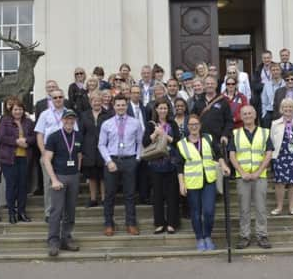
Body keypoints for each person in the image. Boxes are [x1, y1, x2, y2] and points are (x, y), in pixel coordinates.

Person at [177, 114, 230, 251]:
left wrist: (223, 165)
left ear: (200, 125)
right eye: (191, 125)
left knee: (209, 211)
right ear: (187, 127)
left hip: (209, 179)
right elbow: (179, 166)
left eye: (196, 124)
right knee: (195, 212)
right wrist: (181, 184)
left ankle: (207, 235)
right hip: (192, 181)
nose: (194, 127)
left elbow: (218, 155)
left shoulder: (208, 138)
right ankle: (199, 238)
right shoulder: (181, 144)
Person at [99, 94, 144, 236]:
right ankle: (108, 224)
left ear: (127, 105)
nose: (121, 107)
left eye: (123, 105)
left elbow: (139, 142)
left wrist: (136, 159)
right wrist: (108, 161)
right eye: (118, 105)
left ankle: (131, 223)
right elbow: (101, 144)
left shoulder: (135, 123)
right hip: (112, 161)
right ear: (114, 106)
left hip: (129, 161)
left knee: (130, 194)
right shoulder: (107, 124)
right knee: (110, 194)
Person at [229, 105, 274, 249]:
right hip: (242, 177)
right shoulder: (235, 134)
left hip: (259, 176)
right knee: (244, 208)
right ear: (241, 117)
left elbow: (268, 154)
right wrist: (242, 172)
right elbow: (232, 155)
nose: (247, 116)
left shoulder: (264, 132)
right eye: (244, 114)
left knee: (261, 208)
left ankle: (262, 235)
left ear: (255, 115)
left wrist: (258, 172)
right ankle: (244, 236)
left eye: (250, 113)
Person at [43, 109, 83, 257]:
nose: (69, 122)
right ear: (62, 120)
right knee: (56, 211)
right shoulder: (54, 137)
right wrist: (53, 179)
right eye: (67, 119)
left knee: (70, 211)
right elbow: (47, 159)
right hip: (58, 177)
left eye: (72, 119)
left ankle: (66, 238)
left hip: (73, 177)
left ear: (75, 121)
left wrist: (77, 173)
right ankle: (53, 240)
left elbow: (79, 155)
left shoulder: (78, 136)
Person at [35, 89, 78, 222]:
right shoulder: (45, 114)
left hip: (66, 155)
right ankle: (49, 212)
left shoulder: (70, 113)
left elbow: (76, 134)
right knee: (49, 184)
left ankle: (64, 213)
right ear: (51, 99)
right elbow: (40, 135)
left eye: (60, 97)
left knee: (65, 185)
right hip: (49, 153)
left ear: (64, 98)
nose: (58, 99)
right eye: (55, 98)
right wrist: (44, 155)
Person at [142, 98, 180, 234]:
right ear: (156, 109)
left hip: (171, 164)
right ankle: (159, 223)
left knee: (172, 195)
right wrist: (155, 133)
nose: (163, 110)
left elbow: (178, 142)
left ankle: (172, 223)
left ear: (168, 110)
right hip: (155, 165)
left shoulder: (172, 123)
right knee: (157, 195)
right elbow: (145, 142)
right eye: (160, 108)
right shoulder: (150, 124)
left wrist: (165, 135)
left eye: (165, 108)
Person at [0, 99, 36, 224]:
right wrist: (16, 141)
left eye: (20, 109)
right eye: (15, 109)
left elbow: (34, 137)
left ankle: (21, 212)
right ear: (11, 110)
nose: (18, 111)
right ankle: (11, 213)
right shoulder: (5, 120)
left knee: (22, 186)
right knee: (11, 185)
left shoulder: (29, 122)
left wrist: (27, 141)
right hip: (9, 158)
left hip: (24, 158)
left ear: (23, 110)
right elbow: (1, 137)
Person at [270, 99, 293, 216]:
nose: (288, 109)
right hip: (280, 154)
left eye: (290, 107)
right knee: (279, 182)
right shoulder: (275, 123)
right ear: (281, 109)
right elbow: (272, 139)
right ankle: (279, 207)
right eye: (285, 107)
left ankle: (291, 207)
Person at [80, 91, 112, 207]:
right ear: (90, 102)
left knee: (103, 176)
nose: (97, 103)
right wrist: (81, 150)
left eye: (99, 100)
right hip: (89, 149)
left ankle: (104, 199)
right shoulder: (84, 115)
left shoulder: (108, 114)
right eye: (94, 101)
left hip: (104, 149)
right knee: (92, 176)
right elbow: (81, 133)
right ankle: (93, 199)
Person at [192, 75, 234, 147]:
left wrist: (225, 135)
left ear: (216, 85)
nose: (210, 86)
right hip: (201, 139)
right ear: (204, 86)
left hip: (218, 140)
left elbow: (229, 121)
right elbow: (192, 120)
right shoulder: (198, 102)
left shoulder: (223, 101)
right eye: (207, 84)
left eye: (212, 83)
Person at [260, 63, 285, 128]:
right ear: (270, 72)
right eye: (273, 70)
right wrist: (264, 114)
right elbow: (264, 101)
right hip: (269, 112)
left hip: (282, 112)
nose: (275, 72)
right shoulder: (267, 84)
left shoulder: (285, 84)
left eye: (277, 70)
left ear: (280, 71)